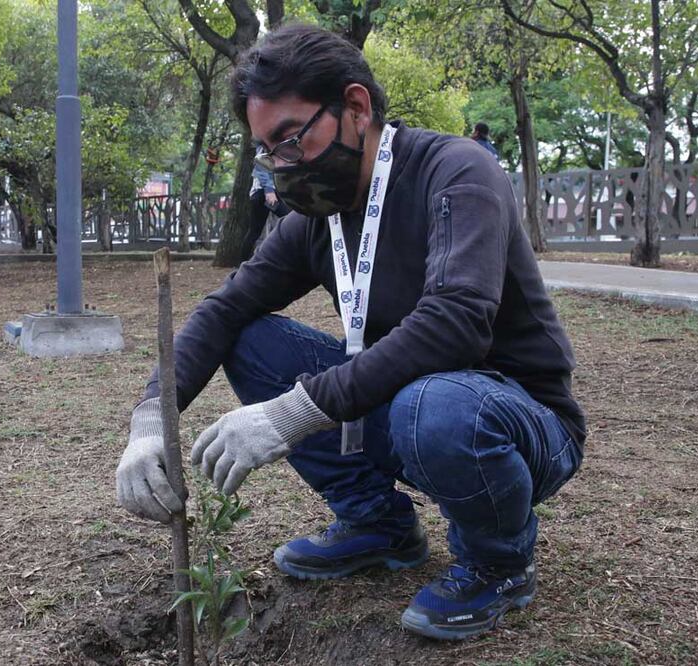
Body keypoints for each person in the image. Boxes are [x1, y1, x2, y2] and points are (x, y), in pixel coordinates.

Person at [115, 24, 584, 642]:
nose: (282, 165)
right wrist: (152, 414)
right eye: (267, 149)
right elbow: (223, 310)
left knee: (435, 404)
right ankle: (377, 523)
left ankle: (499, 561)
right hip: (407, 413)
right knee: (250, 337)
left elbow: (456, 321)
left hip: (514, 422)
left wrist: (290, 414)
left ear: (356, 107)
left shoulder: (458, 173)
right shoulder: (321, 214)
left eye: (290, 138)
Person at [242, 159, 291, 262]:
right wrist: (269, 190)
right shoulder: (265, 146)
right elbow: (261, 165)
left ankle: (243, 261)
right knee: (290, 219)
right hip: (264, 193)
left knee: (254, 231)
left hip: (271, 192)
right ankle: (243, 262)